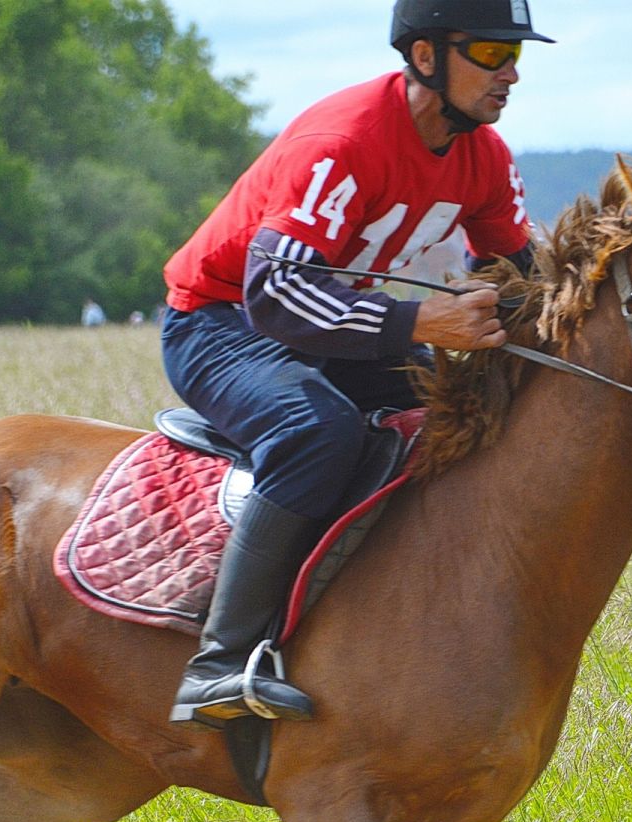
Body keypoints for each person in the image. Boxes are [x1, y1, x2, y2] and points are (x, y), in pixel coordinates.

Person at [158, 0, 550, 726]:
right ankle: (218, 663)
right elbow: (272, 294)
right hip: (219, 323)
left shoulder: (485, 156)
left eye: (516, 55)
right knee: (321, 433)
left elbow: (522, 274)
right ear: (425, 56)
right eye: (492, 54)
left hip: (325, 325)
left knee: (466, 403)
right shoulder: (344, 140)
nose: (512, 74)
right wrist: (420, 319)